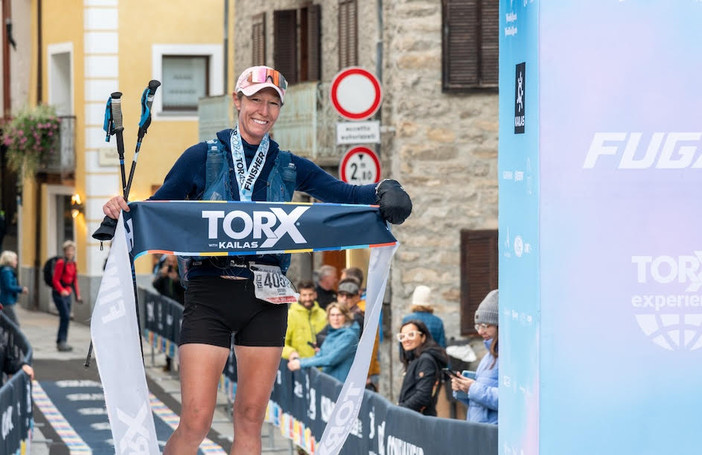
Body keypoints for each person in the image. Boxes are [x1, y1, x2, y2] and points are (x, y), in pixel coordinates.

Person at [101, 65, 412, 455]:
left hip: (267, 298)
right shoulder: (202, 156)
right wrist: (121, 210)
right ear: (237, 101)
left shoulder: (289, 165)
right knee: (196, 420)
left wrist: (385, 189)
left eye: (272, 103)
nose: (263, 110)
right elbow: (156, 207)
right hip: (210, 291)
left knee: (250, 419)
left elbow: (345, 194)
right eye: (255, 100)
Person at [451, 289, 499, 424]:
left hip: (494, 435)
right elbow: (477, 404)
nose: (480, 331)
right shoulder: (488, 356)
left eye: (485, 325)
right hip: (480, 432)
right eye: (478, 326)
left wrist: (473, 388)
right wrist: (462, 389)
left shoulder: (509, 358)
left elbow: (510, 402)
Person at [287, 302, 360, 382]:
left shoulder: (349, 336)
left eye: (339, 315)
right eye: (332, 315)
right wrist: (299, 361)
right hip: (330, 382)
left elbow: (330, 359)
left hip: (342, 385)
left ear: (346, 316)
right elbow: (319, 356)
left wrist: (301, 364)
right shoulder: (332, 333)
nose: (335, 319)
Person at [397, 319, 448, 416]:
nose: (406, 339)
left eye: (411, 335)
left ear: (423, 337)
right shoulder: (414, 359)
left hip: (419, 420)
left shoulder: (425, 360)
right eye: (402, 337)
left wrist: (399, 410)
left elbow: (422, 396)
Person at [282, 280, 327, 360]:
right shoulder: (290, 315)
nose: (308, 298)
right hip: (299, 366)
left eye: (310, 295)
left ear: (315, 295)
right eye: (304, 295)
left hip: (321, 365)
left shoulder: (323, 314)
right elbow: (281, 343)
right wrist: (291, 353)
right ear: (298, 296)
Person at [51, 240, 82, 352]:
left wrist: (77, 295)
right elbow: (55, 280)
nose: (70, 252)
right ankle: (61, 341)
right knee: (65, 316)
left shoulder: (73, 264)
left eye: (72, 250)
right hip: (59, 293)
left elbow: (75, 281)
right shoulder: (60, 263)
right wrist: (61, 290)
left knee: (66, 317)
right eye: (68, 250)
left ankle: (62, 341)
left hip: (68, 293)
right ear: (64, 252)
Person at [0, 251, 28, 326]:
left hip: (5, 301)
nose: (17, 262)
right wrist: (21, 289)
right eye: (15, 259)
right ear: (10, 260)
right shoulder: (7, 272)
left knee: (6, 325)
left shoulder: (5, 271)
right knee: (15, 325)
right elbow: (8, 286)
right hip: (6, 301)